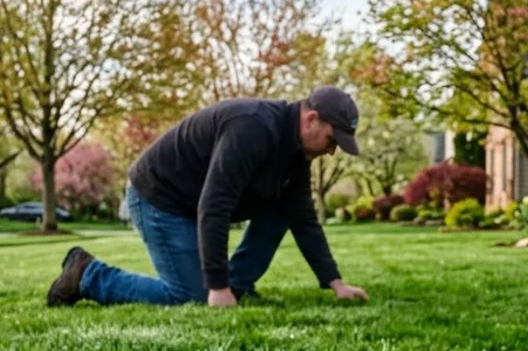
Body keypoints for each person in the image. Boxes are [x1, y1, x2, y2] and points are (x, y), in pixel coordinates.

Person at [47, 86, 370, 308]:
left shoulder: (296, 154)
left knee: (282, 211)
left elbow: (303, 217)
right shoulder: (252, 127)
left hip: (195, 202)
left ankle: (236, 287)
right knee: (191, 296)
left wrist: (335, 282)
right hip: (160, 199)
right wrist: (216, 287)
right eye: (331, 140)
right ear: (311, 119)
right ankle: (87, 273)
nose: (330, 151)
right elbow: (216, 203)